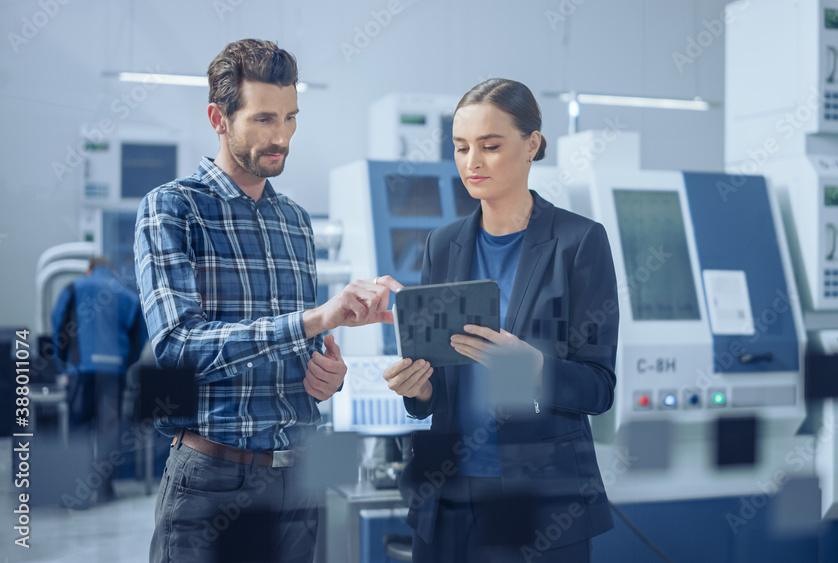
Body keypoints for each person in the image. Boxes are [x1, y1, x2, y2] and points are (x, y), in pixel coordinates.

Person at [135, 39, 401, 563]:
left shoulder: (296, 222)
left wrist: (330, 373)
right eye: (262, 120)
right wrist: (313, 319)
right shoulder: (172, 209)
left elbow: (302, 348)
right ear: (218, 117)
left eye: (290, 118)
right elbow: (177, 349)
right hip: (212, 480)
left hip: (298, 481)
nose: (281, 136)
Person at [383, 78, 620, 562]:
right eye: (461, 147)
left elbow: (599, 388)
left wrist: (531, 368)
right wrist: (419, 388)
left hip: (542, 500)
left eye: (490, 146)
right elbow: (439, 390)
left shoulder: (578, 243)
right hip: (448, 497)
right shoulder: (442, 244)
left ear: (531, 144)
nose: (472, 162)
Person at [51, 255, 148, 504]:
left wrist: (62, 361)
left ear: (90, 269)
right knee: (109, 431)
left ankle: (76, 492)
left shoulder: (75, 287)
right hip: (113, 372)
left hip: (80, 370)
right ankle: (105, 491)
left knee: (79, 428)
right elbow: (139, 336)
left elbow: (58, 322)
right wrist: (125, 362)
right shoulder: (128, 295)